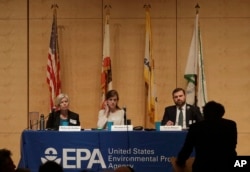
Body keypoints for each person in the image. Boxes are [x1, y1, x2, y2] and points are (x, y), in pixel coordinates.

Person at [175, 101, 237, 172]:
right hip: (226, 165)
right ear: (222, 113)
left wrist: (180, 161)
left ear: (204, 113)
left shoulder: (196, 127)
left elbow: (187, 148)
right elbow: (232, 145)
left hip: (202, 166)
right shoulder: (231, 125)